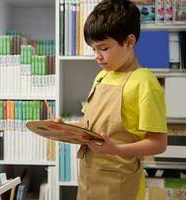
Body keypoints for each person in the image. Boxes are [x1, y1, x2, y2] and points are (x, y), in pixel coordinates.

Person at [58, 0, 167, 199]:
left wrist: (116, 149)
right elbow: (94, 126)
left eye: (103, 48)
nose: (96, 56)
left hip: (119, 185)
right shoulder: (102, 76)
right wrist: (65, 129)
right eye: (93, 48)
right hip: (89, 179)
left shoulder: (145, 82)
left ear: (130, 42)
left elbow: (158, 143)